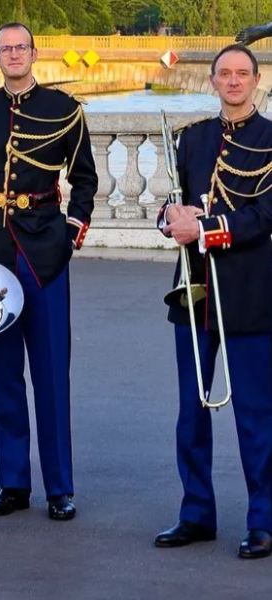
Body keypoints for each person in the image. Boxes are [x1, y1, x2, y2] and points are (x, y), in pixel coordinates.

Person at [0, 22, 98, 520]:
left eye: (21, 47)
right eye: (5, 48)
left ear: (34, 53)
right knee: (5, 372)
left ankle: (60, 488)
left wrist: (69, 235)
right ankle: (13, 483)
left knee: (52, 373)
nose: (13, 54)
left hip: (44, 252)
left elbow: (85, 180)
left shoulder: (64, 110)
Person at [155, 44, 272, 559]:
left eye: (241, 74)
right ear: (212, 82)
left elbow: (262, 218)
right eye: (224, 74)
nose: (233, 82)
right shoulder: (194, 139)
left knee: (255, 416)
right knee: (191, 413)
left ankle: (263, 520)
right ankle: (196, 513)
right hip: (195, 294)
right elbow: (176, 201)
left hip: (250, 292)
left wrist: (201, 227)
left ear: (257, 81)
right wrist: (170, 220)